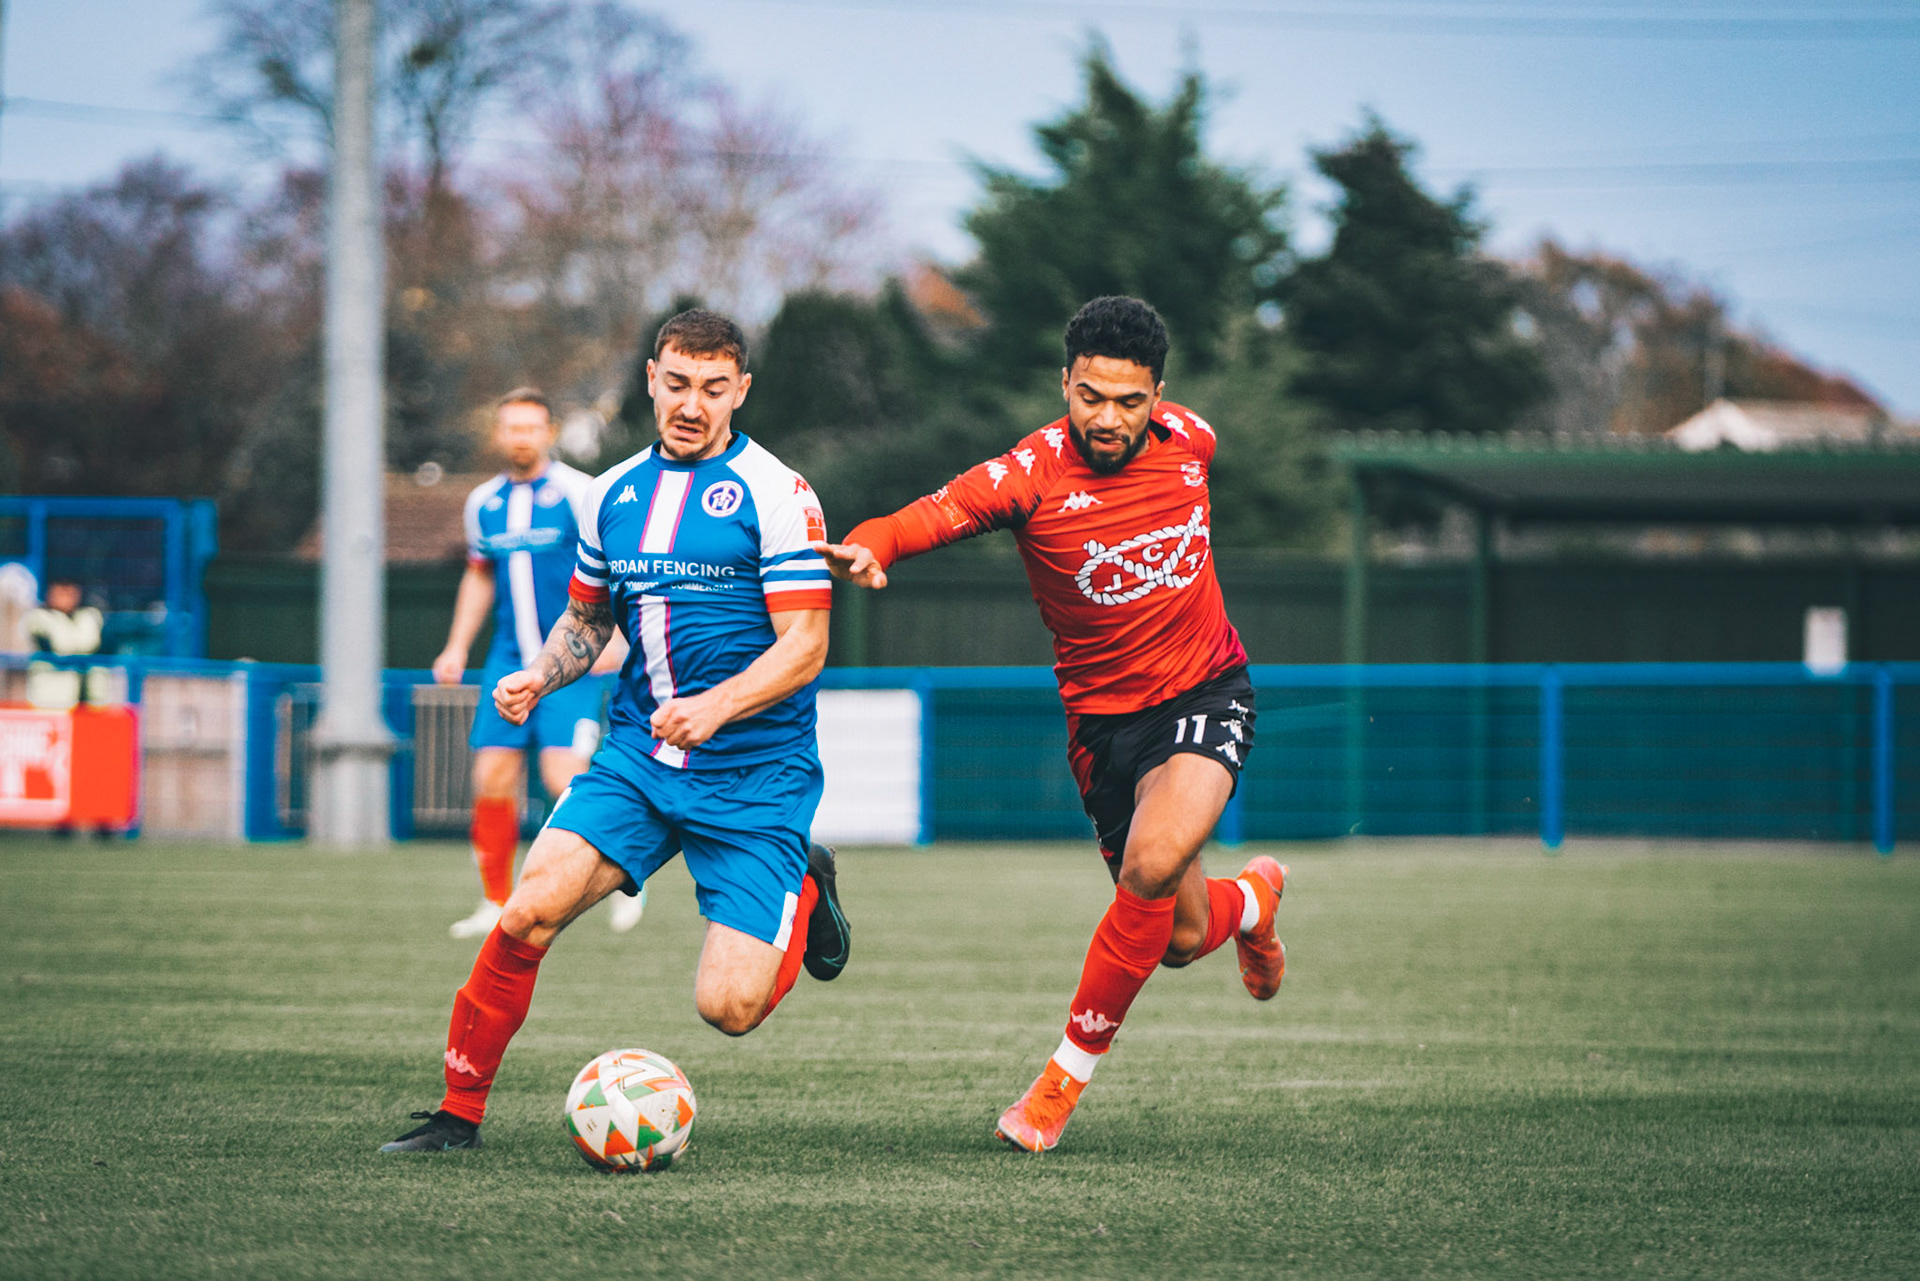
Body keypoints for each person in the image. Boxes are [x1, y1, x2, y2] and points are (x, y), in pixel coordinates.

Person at [816, 296, 1286, 1153]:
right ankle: (1253, 901)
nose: (1109, 418)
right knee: (1177, 937)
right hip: (1103, 729)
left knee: (1148, 866)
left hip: (1209, 691)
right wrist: (872, 546)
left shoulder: (1194, 442)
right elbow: (927, 514)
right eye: (1091, 396)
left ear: (1160, 395)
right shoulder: (1027, 474)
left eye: (1129, 401)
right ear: (1063, 382)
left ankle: (1055, 1090)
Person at [382, 309, 851, 1154]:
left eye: (714, 388)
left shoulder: (780, 494)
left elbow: (807, 644)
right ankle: (458, 1112)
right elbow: (587, 621)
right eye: (677, 383)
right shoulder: (611, 495)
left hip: (754, 772)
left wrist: (717, 706)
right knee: (528, 908)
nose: (692, 404)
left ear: (741, 390)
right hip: (639, 755)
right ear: (650, 379)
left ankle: (806, 890)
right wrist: (542, 670)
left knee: (730, 1009)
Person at [434, 389, 638, 939]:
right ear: (498, 435)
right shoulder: (483, 502)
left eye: (531, 427)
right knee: (492, 776)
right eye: (511, 427)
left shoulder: (578, 492)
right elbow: (479, 575)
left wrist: (615, 637)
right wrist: (456, 646)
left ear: (548, 432)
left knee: (561, 776)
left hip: (572, 659)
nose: (521, 436)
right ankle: (495, 901)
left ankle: (620, 880)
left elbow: (617, 567)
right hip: (507, 659)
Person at [25, 578, 109, 709]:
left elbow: (96, 646)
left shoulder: (89, 616)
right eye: (61, 592)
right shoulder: (38, 617)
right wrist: (79, 652)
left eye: (71, 593)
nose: (66, 598)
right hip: (53, 697)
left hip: (90, 696)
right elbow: (60, 648)